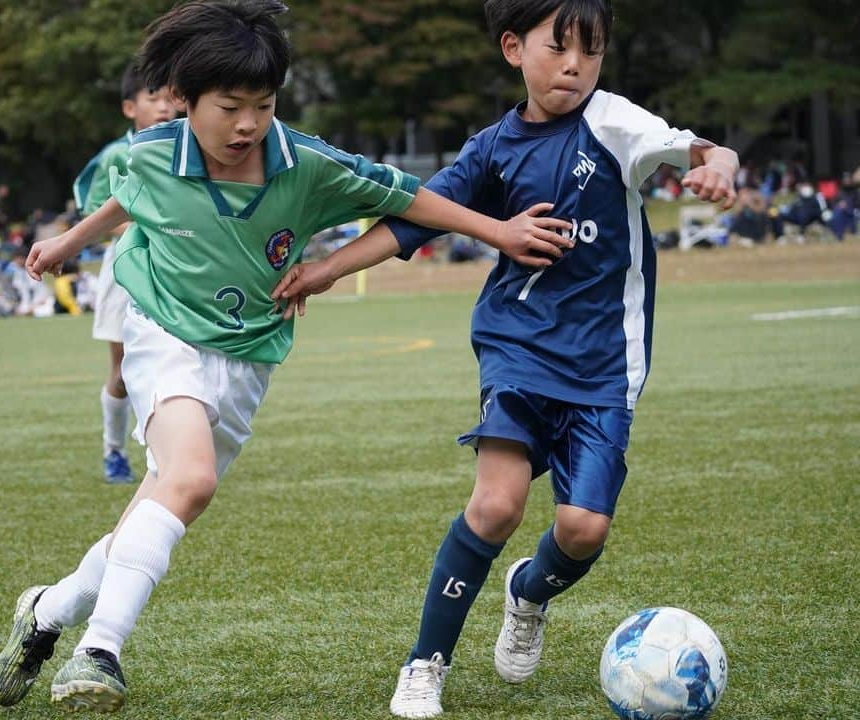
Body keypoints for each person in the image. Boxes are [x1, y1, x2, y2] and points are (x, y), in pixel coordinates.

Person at [0, 0, 570, 714]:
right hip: (161, 328)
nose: (246, 125)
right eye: (229, 106)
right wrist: (70, 242)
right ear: (183, 101)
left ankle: (46, 613)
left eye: (261, 106)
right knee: (192, 477)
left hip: (247, 355)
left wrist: (498, 231)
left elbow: (412, 199)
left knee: (161, 506)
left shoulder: (306, 165)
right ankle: (98, 652)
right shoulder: (151, 152)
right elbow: (128, 197)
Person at [272, 1, 738, 716]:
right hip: (515, 347)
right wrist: (328, 270)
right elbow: (413, 220)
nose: (576, 65)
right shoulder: (492, 148)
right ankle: (425, 663)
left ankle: (528, 592)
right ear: (514, 48)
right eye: (558, 48)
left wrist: (722, 163)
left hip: (605, 368)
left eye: (592, 50)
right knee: (495, 504)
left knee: (583, 531)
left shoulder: (613, 123)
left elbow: (698, 149)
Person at [73, 62, 177, 484]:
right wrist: (145, 225)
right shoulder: (119, 154)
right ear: (129, 108)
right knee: (121, 369)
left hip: (173, 267)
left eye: (172, 98)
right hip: (126, 266)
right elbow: (93, 212)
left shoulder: (187, 148)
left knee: (173, 361)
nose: (165, 107)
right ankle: (113, 450)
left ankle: (167, 452)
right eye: (154, 98)